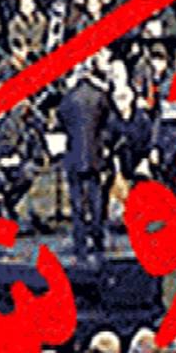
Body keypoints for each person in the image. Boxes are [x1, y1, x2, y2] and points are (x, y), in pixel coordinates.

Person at [58, 63, 110, 261]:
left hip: (74, 152)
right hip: (95, 153)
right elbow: (106, 121)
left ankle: (80, 241)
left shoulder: (69, 97)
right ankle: (97, 239)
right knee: (96, 198)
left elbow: (62, 120)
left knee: (77, 201)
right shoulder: (99, 95)